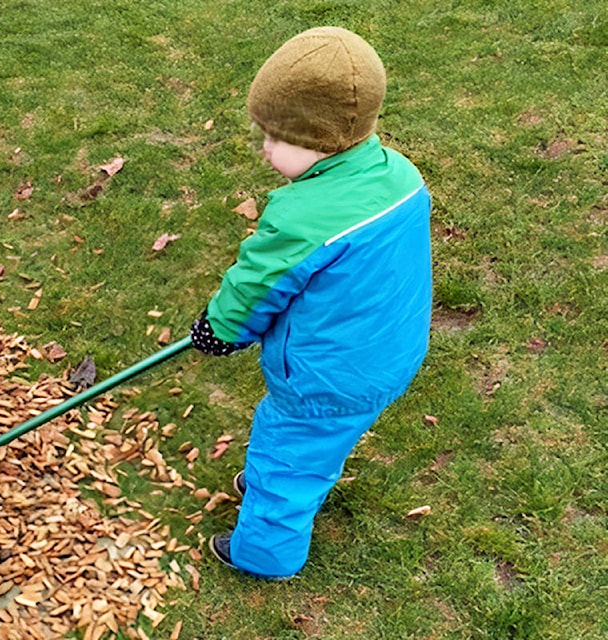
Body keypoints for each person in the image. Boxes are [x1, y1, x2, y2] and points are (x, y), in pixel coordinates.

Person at [189, 26, 432, 579]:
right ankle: (288, 472)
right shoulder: (400, 175)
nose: (265, 149)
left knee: (289, 455)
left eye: (276, 138)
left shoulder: (302, 218)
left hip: (328, 375)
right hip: (389, 353)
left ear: (322, 141)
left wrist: (219, 329)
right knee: (316, 438)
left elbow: (257, 285)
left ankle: (263, 553)